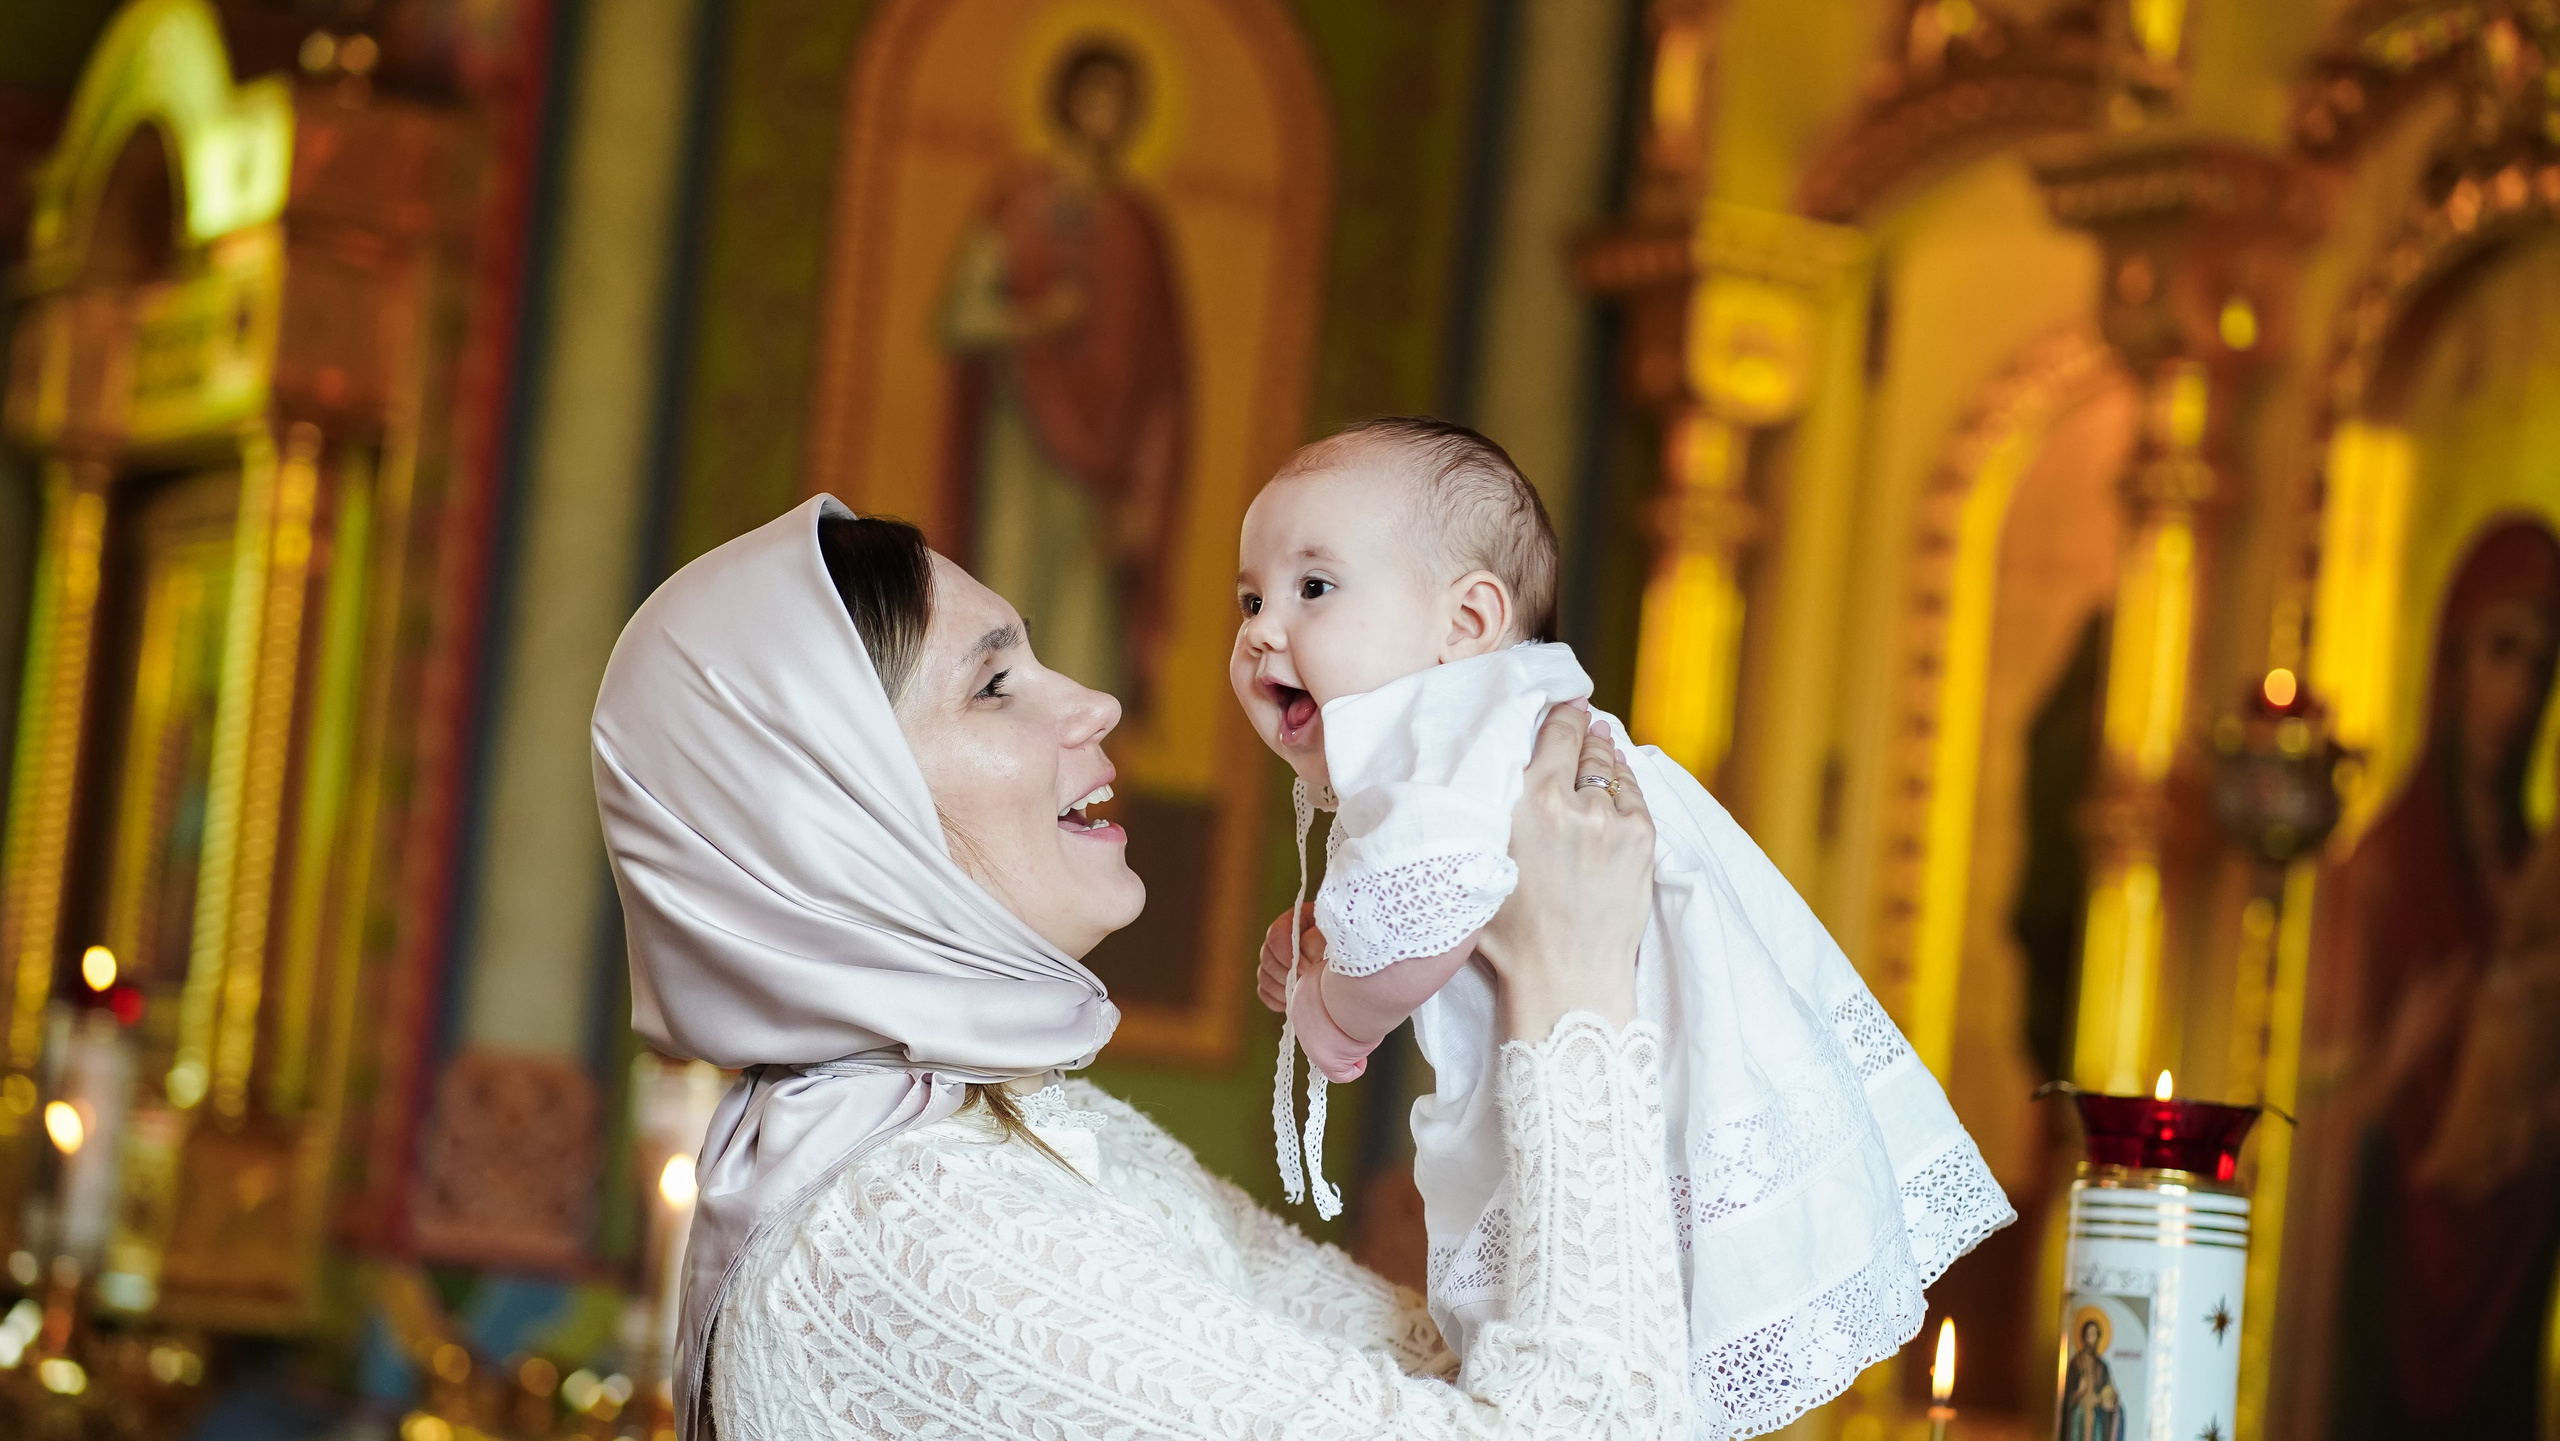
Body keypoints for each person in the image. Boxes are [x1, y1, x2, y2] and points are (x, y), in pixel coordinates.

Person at [592, 495, 1688, 1440]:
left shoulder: (1009, 1135)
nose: (1093, 701)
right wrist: (1572, 984)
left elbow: (1453, 1378)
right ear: (833, 820)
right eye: (994, 686)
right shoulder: (899, 1232)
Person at [1232, 418, 2014, 1437]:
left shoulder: (1432, 732)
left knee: (1576, 1336)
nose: (1260, 629)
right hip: (1670, 1064)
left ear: (1466, 618)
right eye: (1249, 598)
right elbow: (1444, 898)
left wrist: (1331, 1012)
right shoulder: (1500, 717)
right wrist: (1343, 929)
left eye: (1312, 589)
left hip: (1610, 1071)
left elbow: (1418, 939)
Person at [2318, 519, 2560, 1441]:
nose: (2520, 691)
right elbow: (2314, 1118)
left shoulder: (2540, 876)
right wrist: (2402, 1053)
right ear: (2453, 659)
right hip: (2400, 1275)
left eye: (2542, 666)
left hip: (2515, 1259)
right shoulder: (2383, 867)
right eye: (2503, 653)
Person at [939, 38, 1186, 717]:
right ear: (1068, 103)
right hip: (1020, 438)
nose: (1105, 114)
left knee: (1080, 640)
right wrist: (1034, 320)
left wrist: (1144, 494)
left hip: (1100, 475)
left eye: (1119, 102)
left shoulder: (1140, 229)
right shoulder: (1019, 204)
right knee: (1006, 606)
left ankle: (1060, 802)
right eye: (1094, 97)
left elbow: (1164, 380)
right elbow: (960, 315)